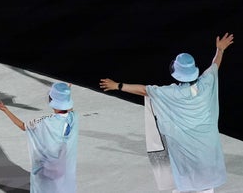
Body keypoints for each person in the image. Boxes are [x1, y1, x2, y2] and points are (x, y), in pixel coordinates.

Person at [100, 32, 234, 193]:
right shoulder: (207, 82)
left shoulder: (171, 93)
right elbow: (215, 65)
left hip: (184, 144)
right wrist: (220, 50)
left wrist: (118, 86)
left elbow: (144, 90)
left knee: (184, 172)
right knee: (206, 179)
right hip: (207, 142)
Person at [0, 82, 79, 193]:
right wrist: (66, 90)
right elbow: (68, 107)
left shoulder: (45, 122)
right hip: (64, 166)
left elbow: (23, 126)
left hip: (48, 168)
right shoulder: (73, 117)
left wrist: (6, 110)